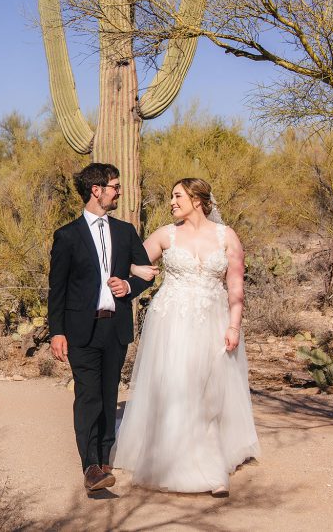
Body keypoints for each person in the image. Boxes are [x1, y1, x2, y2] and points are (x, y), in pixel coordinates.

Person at [112, 178, 260, 496]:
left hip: (213, 321)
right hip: (171, 322)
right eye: (171, 196)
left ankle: (211, 460)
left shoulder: (227, 236)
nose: (172, 202)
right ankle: (182, 462)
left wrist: (234, 326)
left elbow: (236, 286)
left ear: (197, 199)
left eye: (177, 196)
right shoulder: (167, 235)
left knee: (209, 392)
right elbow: (132, 262)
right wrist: (135, 275)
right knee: (176, 387)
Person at [48, 163, 154, 492]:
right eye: (115, 186)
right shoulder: (67, 236)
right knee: (89, 397)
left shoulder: (125, 231)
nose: (119, 191)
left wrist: (129, 286)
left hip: (115, 327)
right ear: (97, 190)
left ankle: (105, 457)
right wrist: (57, 331)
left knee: (109, 395)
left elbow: (147, 271)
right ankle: (91, 467)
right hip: (81, 329)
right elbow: (58, 288)